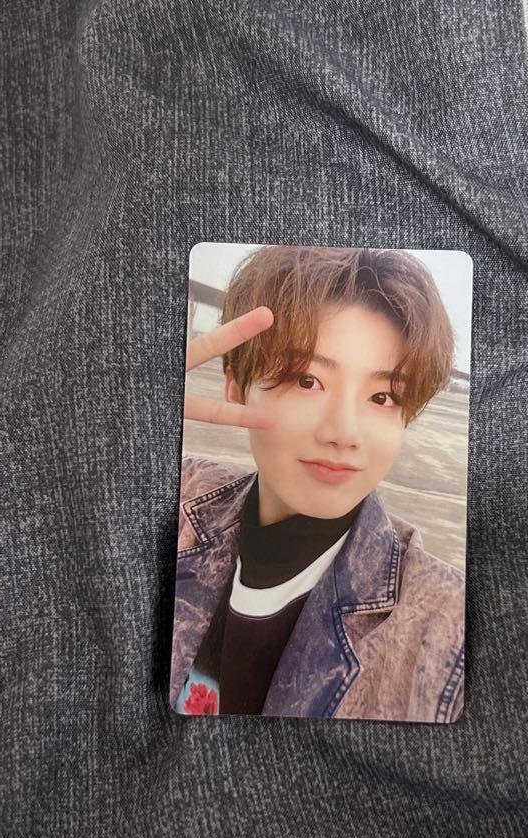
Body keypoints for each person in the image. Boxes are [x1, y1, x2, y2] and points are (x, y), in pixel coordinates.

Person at [171, 245, 465, 723]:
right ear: (235, 385)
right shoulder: (176, 497)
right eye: (307, 381)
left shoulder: (440, 623)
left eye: (382, 397)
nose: (344, 433)